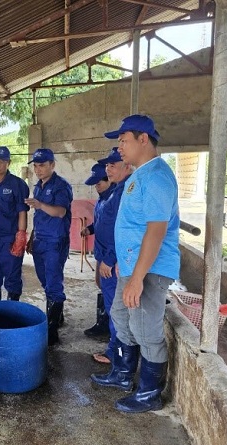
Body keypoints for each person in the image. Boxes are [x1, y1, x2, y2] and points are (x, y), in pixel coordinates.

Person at [91, 115, 180, 414]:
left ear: (143, 139)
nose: (119, 147)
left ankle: (149, 394)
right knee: (119, 314)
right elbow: (133, 226)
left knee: (145, 329)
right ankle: (122, 374)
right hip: (132, 267)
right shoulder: (139, 176)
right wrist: (125, 262)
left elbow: (156, 230)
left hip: (150, 270)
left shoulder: (156, 177)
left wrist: (138, 277)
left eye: (123, 140)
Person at [87, 149, 133, 365]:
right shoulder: (114, 193)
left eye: (112, 165)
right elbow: (104, 225)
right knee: (113, 307)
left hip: (113, 261)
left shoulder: (123, 193)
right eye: (107, 166)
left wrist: (109, 258)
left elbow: (124, 230)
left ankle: (117, 356)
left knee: (117, 310)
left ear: (126, 165)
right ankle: (116, 351)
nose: (108, 169)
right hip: (106, 256)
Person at [25, 148, 73, 346]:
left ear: (52, 165)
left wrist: (40, 204)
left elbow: (60, 212)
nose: (38, 169)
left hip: (55, 241)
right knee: (44, 280)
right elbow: (39, 216)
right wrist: (32, 237)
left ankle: (51, 331)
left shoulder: (61, 186)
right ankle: (57, 315)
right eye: (35, 166)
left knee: (53, 284)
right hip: (40, 240)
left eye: (42, 165)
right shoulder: (38, 186)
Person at [0, 146, 30, 301]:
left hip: (10, 238)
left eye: (2, 161)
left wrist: (21, 235)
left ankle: (12, 308)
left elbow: (22, 211)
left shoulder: (18, 184)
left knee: (12, 277)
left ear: (9, 162)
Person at [81, 162, 113, 340]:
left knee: (111, 292)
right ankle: (103, 322)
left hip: (110, 254)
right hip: (101, 251)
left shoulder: (114, 199)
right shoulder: (102, 199)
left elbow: (117, 231)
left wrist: (110, 259)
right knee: (101, 285)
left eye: (99, 183)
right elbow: (101, 223)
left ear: (109, 180)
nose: (96, 187)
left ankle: (110, 330)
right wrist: (90, 229)